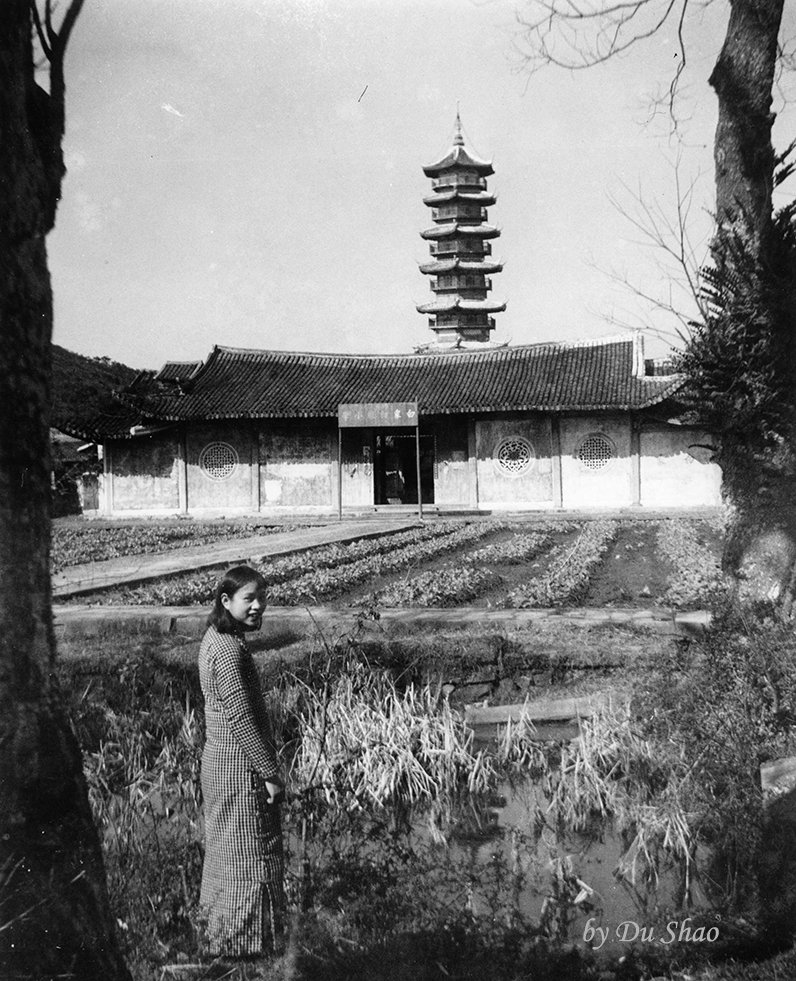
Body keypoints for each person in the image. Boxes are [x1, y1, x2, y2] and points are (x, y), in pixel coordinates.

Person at [199, 565, 285, 959]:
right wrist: (270, 772)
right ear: (226, 602)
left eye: (261, 597)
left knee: (227, 855)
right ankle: (243, 950)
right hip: (238, 770)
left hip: (221, 765)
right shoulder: (228, 651)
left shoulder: (217, 638)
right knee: (247, 858)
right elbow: (242, 720)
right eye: (248, 598)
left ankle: (223, 942)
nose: (257, 606)